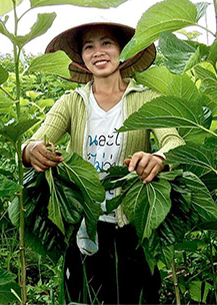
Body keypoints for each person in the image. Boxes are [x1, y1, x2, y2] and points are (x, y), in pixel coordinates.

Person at [22, 22, 184, 304]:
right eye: (89, 47)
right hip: (86, 223)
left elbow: (175, 143)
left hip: (133, 224)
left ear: (123, 51)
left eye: (107, 43)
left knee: (138, 295)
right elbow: (33, 142)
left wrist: (158, 158)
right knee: (85, 295)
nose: (98, 52)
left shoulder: (146, 100)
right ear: (82, 59)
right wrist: (30, 150)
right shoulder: (72, 103)